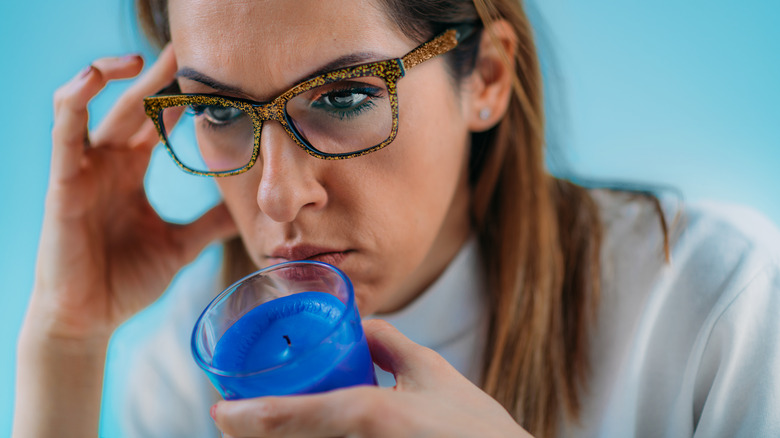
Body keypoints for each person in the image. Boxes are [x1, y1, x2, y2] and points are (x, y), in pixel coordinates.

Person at [13, 0, 780, 437]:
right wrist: (67, 337)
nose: (278, 197)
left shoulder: (716, 311)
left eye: (345, 96)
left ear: (486, 76)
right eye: (217, 109)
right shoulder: (195, 378)